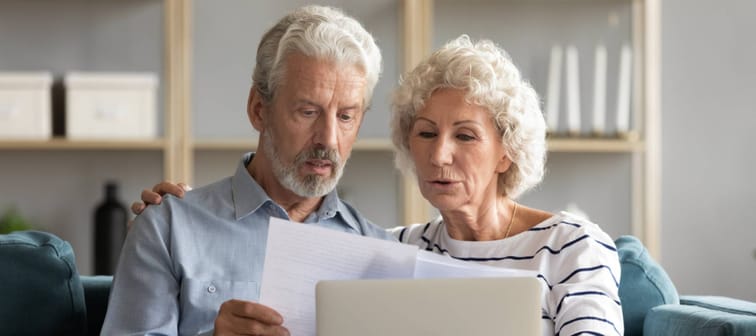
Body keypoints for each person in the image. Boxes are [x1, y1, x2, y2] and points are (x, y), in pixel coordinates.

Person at [135, 36, 624, 335]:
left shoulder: (573, 245)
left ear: (508, 150)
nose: (439, 154)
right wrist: (189, 208)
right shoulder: (393, 249)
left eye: (466, 135)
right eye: (426, 133)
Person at [101, 5, 393, 336]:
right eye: (308, 111)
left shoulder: (380, 252)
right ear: (258, 110)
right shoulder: (168, 227)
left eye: (346, 117)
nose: (328, 138)